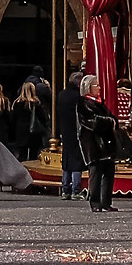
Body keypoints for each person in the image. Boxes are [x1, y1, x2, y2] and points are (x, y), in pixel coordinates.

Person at [76, 74, 119, 211]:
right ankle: (95, 202)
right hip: (93, 144)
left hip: (106, 143)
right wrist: (109, 121)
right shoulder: (83, 103)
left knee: (108, 172)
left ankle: (106, 202)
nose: (99, 88)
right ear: (88, 88)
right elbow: (92, 122)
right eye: (96, 85)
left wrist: (112, 121)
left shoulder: (100, 102)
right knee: (96, 173)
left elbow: (111, 117)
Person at [54, 71, 84, 199]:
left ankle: (65, 188)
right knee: (76, 160)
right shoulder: (78, 97)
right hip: (76, 131)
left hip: (65, 130)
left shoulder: (62, 94)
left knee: (66, 160)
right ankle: (76, 190)